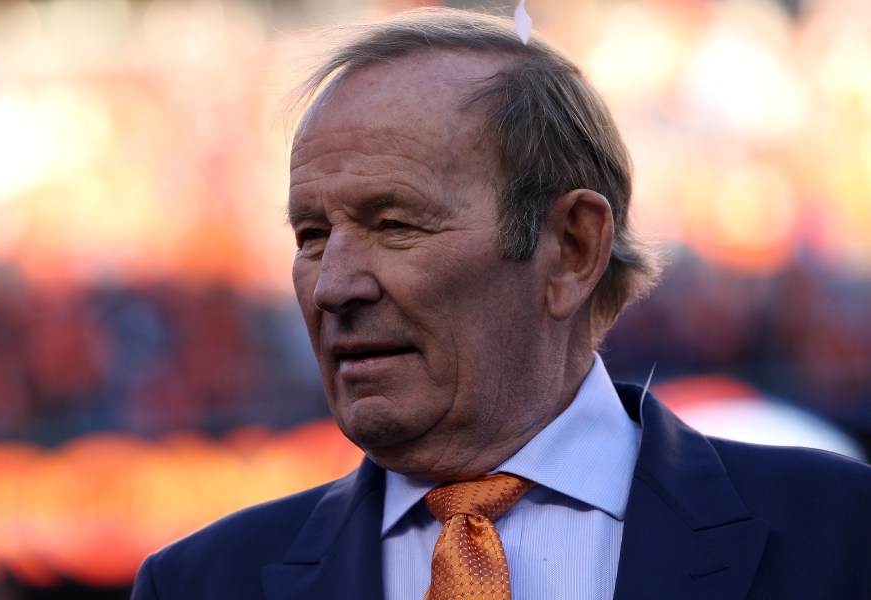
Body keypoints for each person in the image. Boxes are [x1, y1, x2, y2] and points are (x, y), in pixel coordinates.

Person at [132, 8, 871, 600]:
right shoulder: (200, 582)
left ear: (573, 248)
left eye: (394, 223)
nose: (333, 286)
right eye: (312, 235)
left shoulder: (839, 533)